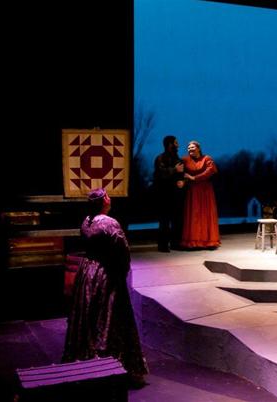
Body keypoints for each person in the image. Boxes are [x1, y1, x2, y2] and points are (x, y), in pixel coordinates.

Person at [62, 188, 149, 388]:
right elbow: (123, 252)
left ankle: (84, 359)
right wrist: (120, 272)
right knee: (111, 318)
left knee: (88, 316)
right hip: (106, 275)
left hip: (87, 272)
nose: (110, 199)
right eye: (107, 196)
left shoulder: (86, 221)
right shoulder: (110, 223)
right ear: (103, 201)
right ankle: (108, 364)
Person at [180, 140, 221, 249]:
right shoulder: (185, 160)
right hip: (193, 191)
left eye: (192, 147)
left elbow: (211, 170)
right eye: (188, 148)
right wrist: (183, 180)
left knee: (206, 214)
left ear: (198, 148)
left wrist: (194, 178)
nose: (190, 149)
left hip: (205, 190)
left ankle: (208, 241)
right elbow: (180, 172)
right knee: (194, 215)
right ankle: (194, 241)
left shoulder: (206, 159)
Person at [153, 135, 185, 252]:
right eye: (176, 143)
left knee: (176, 220)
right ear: (170, 144)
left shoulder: (179, 159)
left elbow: (182, 175)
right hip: (164, 194)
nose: (178, 145)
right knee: (164, 221)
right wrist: (174, 170)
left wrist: (182, 181)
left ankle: (175, 243)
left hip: (176, 195)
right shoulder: (160, 158)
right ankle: (163, 245)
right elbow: (160, 174)